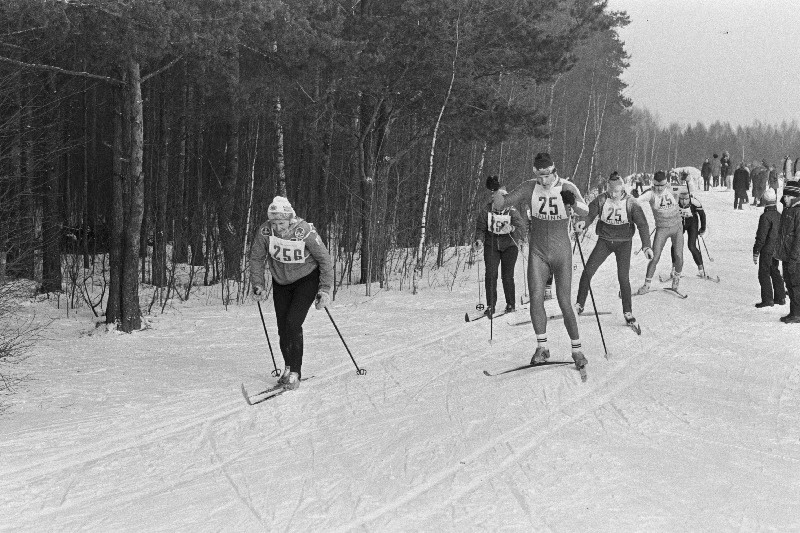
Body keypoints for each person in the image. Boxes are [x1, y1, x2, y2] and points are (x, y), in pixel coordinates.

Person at [491, 152, 590, 374]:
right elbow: (502, 204)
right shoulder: (529, 187)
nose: (542, 181)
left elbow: (586, 210)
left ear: (553, 172)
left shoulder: (566, 186)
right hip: (538, 252)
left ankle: (577, 350)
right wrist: (496, 190)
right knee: (536, 297)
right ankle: (542, 347)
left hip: (561, 252)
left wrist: (572, 202)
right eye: (538, 176)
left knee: (564, 301)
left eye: (546, 175)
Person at [249, 196, 335, 390]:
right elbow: (256, 258)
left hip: (306, 280)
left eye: (281, 222)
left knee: (293, 323)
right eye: (274, 222)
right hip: (281, 282)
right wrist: (258, 284)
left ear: (290, 219)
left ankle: (295, 372)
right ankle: (288, 367)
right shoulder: (265, 231)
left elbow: (324, 259)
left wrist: (324, 289)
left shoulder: (304, 231)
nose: (278, 227)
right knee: (282, 328)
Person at [575, 172, 652, 328]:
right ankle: (579, 305)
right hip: (604, 241)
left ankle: (628, 312)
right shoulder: (602, 199)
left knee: (623, 277)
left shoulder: (631, 202)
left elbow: (642, 225)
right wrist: (583, 223)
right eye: (611, 191)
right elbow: (590, 214)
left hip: (624, 243)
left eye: (616, 191)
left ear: (622, 189)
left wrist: (646, 246)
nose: (613, 194)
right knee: (588, 271)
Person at [474, 175, 526, 315]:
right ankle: (491, 305)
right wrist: (479, 240)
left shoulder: (512, 211)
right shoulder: (487, 210)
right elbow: (480, 228)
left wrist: (513, 229)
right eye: (495, 202)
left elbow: (522, 228)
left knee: (507, 276)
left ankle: (510, 304)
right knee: (491, 274)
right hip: (492, 245)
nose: (497, 206)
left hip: (509, 246)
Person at [635, 170, 685, 294]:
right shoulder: (651, 193)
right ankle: (646, 285)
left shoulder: (672, 188)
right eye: (656, 186)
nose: (659, 189)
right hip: (662, 229)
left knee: (678, 255)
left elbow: (688, 190)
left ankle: (676, 278)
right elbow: (638, 200)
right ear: (653, 184)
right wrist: (634, 198)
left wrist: (687, 181)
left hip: (677, 227)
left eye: (661, 186)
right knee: (654, 256)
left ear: (665, 184)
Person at [753, 188, 785, 308]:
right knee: (775, 271)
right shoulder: (779, 215)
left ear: (765, 201)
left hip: (766, 249)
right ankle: (780, 297)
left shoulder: (765, 216)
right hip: (776, 249)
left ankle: (767, 300)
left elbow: (761, 236)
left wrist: (756, 251)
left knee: (764, 273)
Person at [775, 180, 800, 322]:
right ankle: (793, 312)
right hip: (786, 255)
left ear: (794, 196)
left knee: (796, 285)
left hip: (795, 257)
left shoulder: (798, 212)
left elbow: (798, 239)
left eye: (787, 196)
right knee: (789, 284)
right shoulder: (788, 210)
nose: (784, 199)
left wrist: (794, 259)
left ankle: (797, 314)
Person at [677, 188, 707, 278]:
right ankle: (674, 270)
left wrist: (702, 228)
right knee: (676, 245)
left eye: (686, 199)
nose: (683, 202)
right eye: (681, 199)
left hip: (692, 224)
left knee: (692, 246)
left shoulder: (695, 202)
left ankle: (701, 270)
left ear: (689, 198)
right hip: (680, 223)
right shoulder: (674, 201)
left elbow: (702, 215)